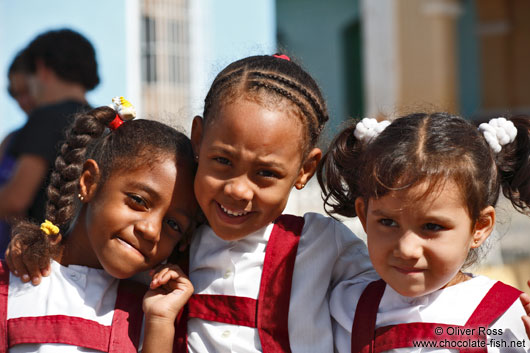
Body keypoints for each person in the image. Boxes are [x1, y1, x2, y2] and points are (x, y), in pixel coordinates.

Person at [6, 54, 376, 352]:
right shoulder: (170, 249)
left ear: (305, 169)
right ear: (199, 139)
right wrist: (40, 247)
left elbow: (403, 297)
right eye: (223, 162)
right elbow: (87, 265)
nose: (238, 192)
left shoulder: (325, 245)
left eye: (265, 174)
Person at [317, 113, 530, 352]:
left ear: (479, 227)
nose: (407, 249)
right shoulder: (345, 306)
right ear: (364, 215)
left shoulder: (509, 318)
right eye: (388, 222)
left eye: (432, 227)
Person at [1, 97, 198, 352]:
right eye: (138, 201)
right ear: (89, 182)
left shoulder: (154, 313)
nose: (151, 230)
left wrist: (159, 322)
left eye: (173, 224)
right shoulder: (14, 282)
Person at [0, 28, 98, 227]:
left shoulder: (45, 117)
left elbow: (16, 199)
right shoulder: (101, 121)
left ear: (42, 68)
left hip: (44, 248)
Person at [0, 49, 37, 255]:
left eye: (27, 91)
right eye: (16, 94)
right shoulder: (10, 139)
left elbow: (15, 201)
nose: (23, 101)